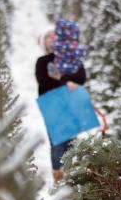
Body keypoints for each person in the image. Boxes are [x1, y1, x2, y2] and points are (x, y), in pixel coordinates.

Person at [35, 19, 88, 183]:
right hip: (52, 104)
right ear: (44, 43)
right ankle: (58, 175)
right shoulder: (43, 61)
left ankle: (73, 173)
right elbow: (46, 79)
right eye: (48, 37)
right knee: (58, 141)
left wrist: (67, 80)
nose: (52, 38)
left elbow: (81, 76)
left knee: (72, 140)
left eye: (54, 36)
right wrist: (68, 82)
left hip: (71, 103)